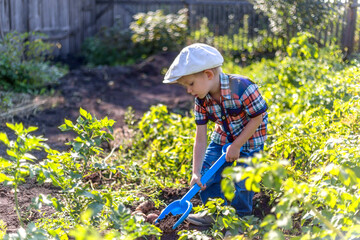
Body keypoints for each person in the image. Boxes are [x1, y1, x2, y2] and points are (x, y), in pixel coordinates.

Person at [163, 43, 268, 229]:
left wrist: (236, 146)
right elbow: (200, 137)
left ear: (209, 75)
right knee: (206, 175)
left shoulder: (243, 87)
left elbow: (257, 118)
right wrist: (196, 172)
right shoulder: (201, 101)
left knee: (244, 182)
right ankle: (215, 212)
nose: (189, 90)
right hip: (223, 136)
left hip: (251, 138)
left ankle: (240, 219)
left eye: (190, 84)